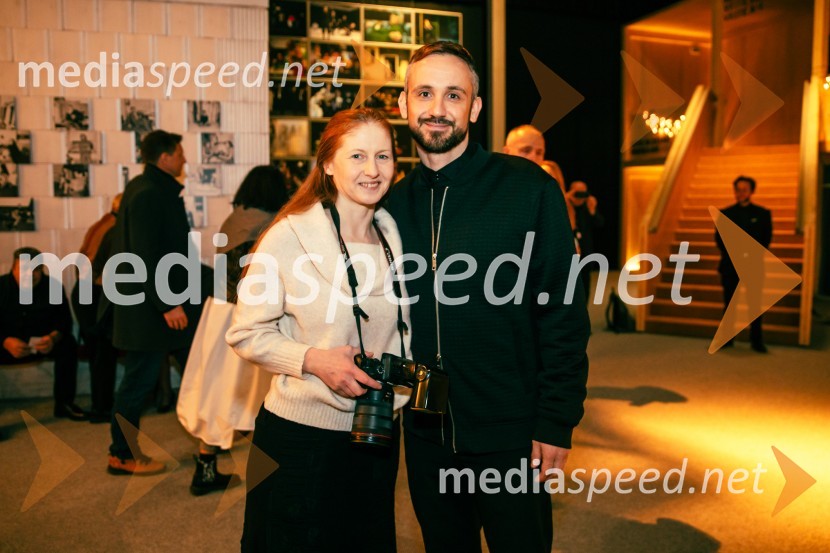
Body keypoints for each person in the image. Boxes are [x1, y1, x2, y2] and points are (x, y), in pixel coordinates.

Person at [385, 42, 590, 553]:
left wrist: (556, 419)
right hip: (426, 434)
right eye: (424, 93)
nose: (437, 108)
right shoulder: (389, 203)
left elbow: (563, 311)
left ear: (474, 108)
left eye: (453, 95)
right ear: (404, 104)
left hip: (511, 433)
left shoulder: (527, 189)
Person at [227, 108, 411, 552]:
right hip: (300, 436)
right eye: (358, 156)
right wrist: (313, 359)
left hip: (376, 432)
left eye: (383, 156)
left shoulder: (392, 231)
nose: (373, 170)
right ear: (328, 164)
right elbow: (245, 332)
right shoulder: (289, 235)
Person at [177, 165, 289, 496]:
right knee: (237, 393)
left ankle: (210, 458)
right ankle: (207, 465)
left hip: (218, 312)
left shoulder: (235, 218)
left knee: (216, 389)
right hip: (244, 317)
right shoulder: (268, 228)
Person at [102, 130, 199, 475]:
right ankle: (122, 454)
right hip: (149, 312)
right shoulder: (148, 194)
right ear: (165, 157)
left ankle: (211, 438)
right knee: (138, 383)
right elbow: (144, 256)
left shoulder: (149, 189)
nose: (184, 159)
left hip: (154, 307)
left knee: (193, 368)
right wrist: (167, 304)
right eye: (180, 153)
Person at [0, 247, 85, 421]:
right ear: (13, 269)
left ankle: (64, 404)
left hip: (43, 343)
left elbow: (64, 322)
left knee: (68, 344)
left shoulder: (53, 286)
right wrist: (5, 341)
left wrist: (53, 338)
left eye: (36, 270)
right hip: (7, 345)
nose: (30, 275)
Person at [73, 194, 122, 423]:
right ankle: (102, 408)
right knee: (104, 353)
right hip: (96, 293)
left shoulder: (101, 223)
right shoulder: (117, 229)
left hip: (84, 291)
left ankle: (100, 404)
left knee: (98, 354)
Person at [715, 175, 772, 353]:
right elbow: (719, 239)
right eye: (738, 190)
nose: (740, 193)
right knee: (729, 303)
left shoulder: (763, 214)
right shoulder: (725, 213)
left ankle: (756, 341)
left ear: (751, 191)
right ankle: (727, 338)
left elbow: (765, 239)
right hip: (730, 265)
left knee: (754, 305)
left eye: (744, 190)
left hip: (753, 265)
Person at [566, 180, 604, 302]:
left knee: (585, 286)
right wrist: (567, 199)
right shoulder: (565, 205)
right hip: (569, 254)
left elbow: (599, 224)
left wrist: (592, 210)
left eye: (584, 193)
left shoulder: (587, 207)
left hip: (586, 254)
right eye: (578, 193)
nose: (581, 197)